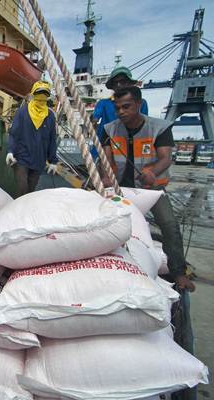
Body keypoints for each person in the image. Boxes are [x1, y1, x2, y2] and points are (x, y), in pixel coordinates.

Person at [101, 84, 197, 400]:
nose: (121, 112)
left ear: (139, 105)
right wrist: (104, 178)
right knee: (110, 228)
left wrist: (154, 172)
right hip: (122, 190)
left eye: (126, 106)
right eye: (118, 107)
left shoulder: (159, 127)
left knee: (169, 226)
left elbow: (166, 157)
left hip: (151, 190)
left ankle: (179, 271)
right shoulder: (110, 129)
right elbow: (104, 160)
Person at [6, 81, 59, 198]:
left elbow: (51, 140)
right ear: (33, 95)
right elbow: (14, 133)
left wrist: (53, 161)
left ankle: (25, 214)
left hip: (38, 161)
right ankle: (17, 214)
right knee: (22, 188)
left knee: (30, 192)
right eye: (39, 96)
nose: (41, 100)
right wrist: (10, 151)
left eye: (44, 97)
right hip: (21, 158)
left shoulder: (50, 117)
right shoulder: (22, 112)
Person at [92, 66, 148, 158]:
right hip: (103, 150)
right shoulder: (103, 103)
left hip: (129, 151)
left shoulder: (142, 103)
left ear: (130, 84)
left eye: (123, 81)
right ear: (112, 86)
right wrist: (92, 122)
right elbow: (94, 119)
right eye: (115, 82)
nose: (118, 85)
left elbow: (144, 127)